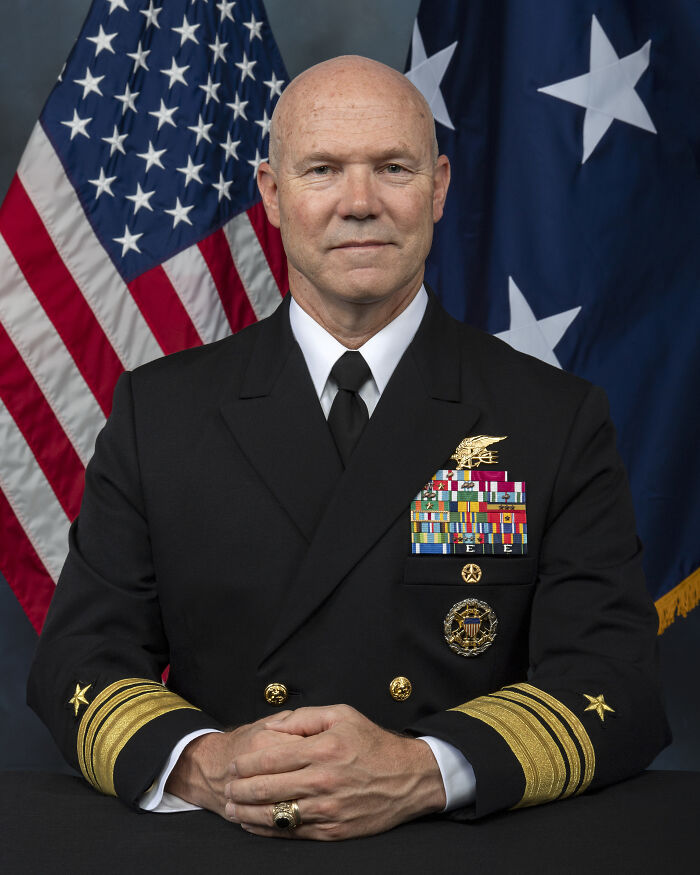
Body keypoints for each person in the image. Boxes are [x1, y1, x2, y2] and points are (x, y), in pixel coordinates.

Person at [28, 56, 669, 840]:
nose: (359, 203)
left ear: (437, 186)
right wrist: (210, 762)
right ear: (272, 193)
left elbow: (616, 682)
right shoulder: (158, 413)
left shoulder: (553, 417)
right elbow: (79, 661)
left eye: (392, 168)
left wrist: (423, 769)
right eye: (323, 169)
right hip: (228, 843)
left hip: (452, 846)